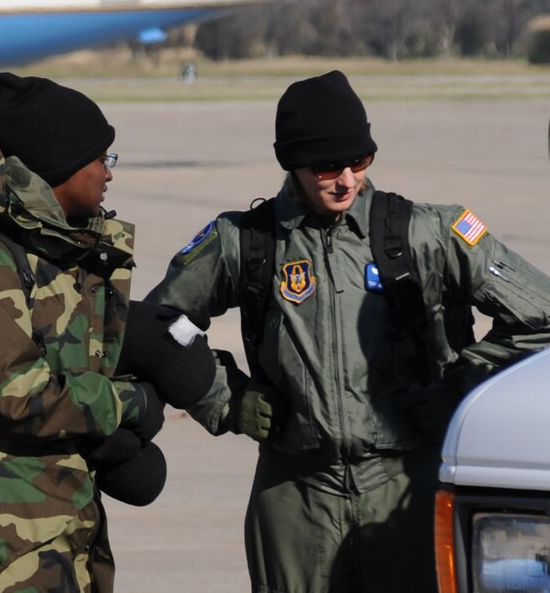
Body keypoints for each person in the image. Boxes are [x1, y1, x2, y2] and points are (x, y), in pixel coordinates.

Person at [146, 69, 550, 593]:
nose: (346, 180)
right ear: (291, 164)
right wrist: (227, 400)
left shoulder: (427, 234)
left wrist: (460, 388)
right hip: (295, 491)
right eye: (326, 167)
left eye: (359, 162)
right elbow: (161, 325)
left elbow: (539, 316)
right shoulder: (243, 242)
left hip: (407, 484)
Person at [0, 72, 159, 593]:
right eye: (101, 159)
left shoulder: (61, 253)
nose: (109, 174)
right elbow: (11, 395)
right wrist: (124, 404)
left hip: (52, 535)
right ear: (60, 168)